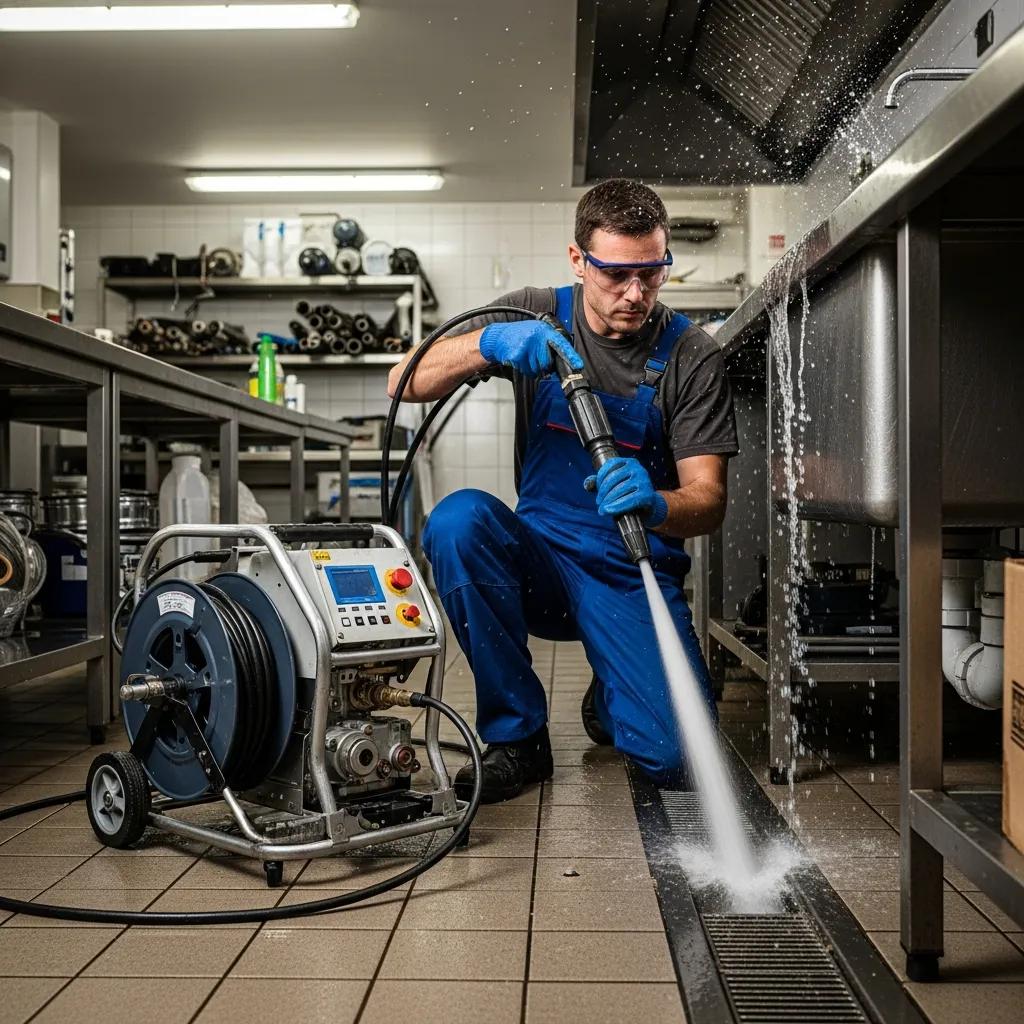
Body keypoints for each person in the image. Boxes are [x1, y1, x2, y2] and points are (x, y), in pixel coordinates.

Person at [388, 178, 738, 802]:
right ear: (578, 260)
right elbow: (404, 381)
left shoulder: (691, 354)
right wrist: (487, 344)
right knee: (457, 521)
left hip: (631, 573)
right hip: (540, 565)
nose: (636, 294)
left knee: (674, 759)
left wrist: (658, 502)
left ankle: (613, 691)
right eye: (616, 275)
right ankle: (518, 738)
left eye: (653, 273)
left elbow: (707, 500)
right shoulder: (534, 311)